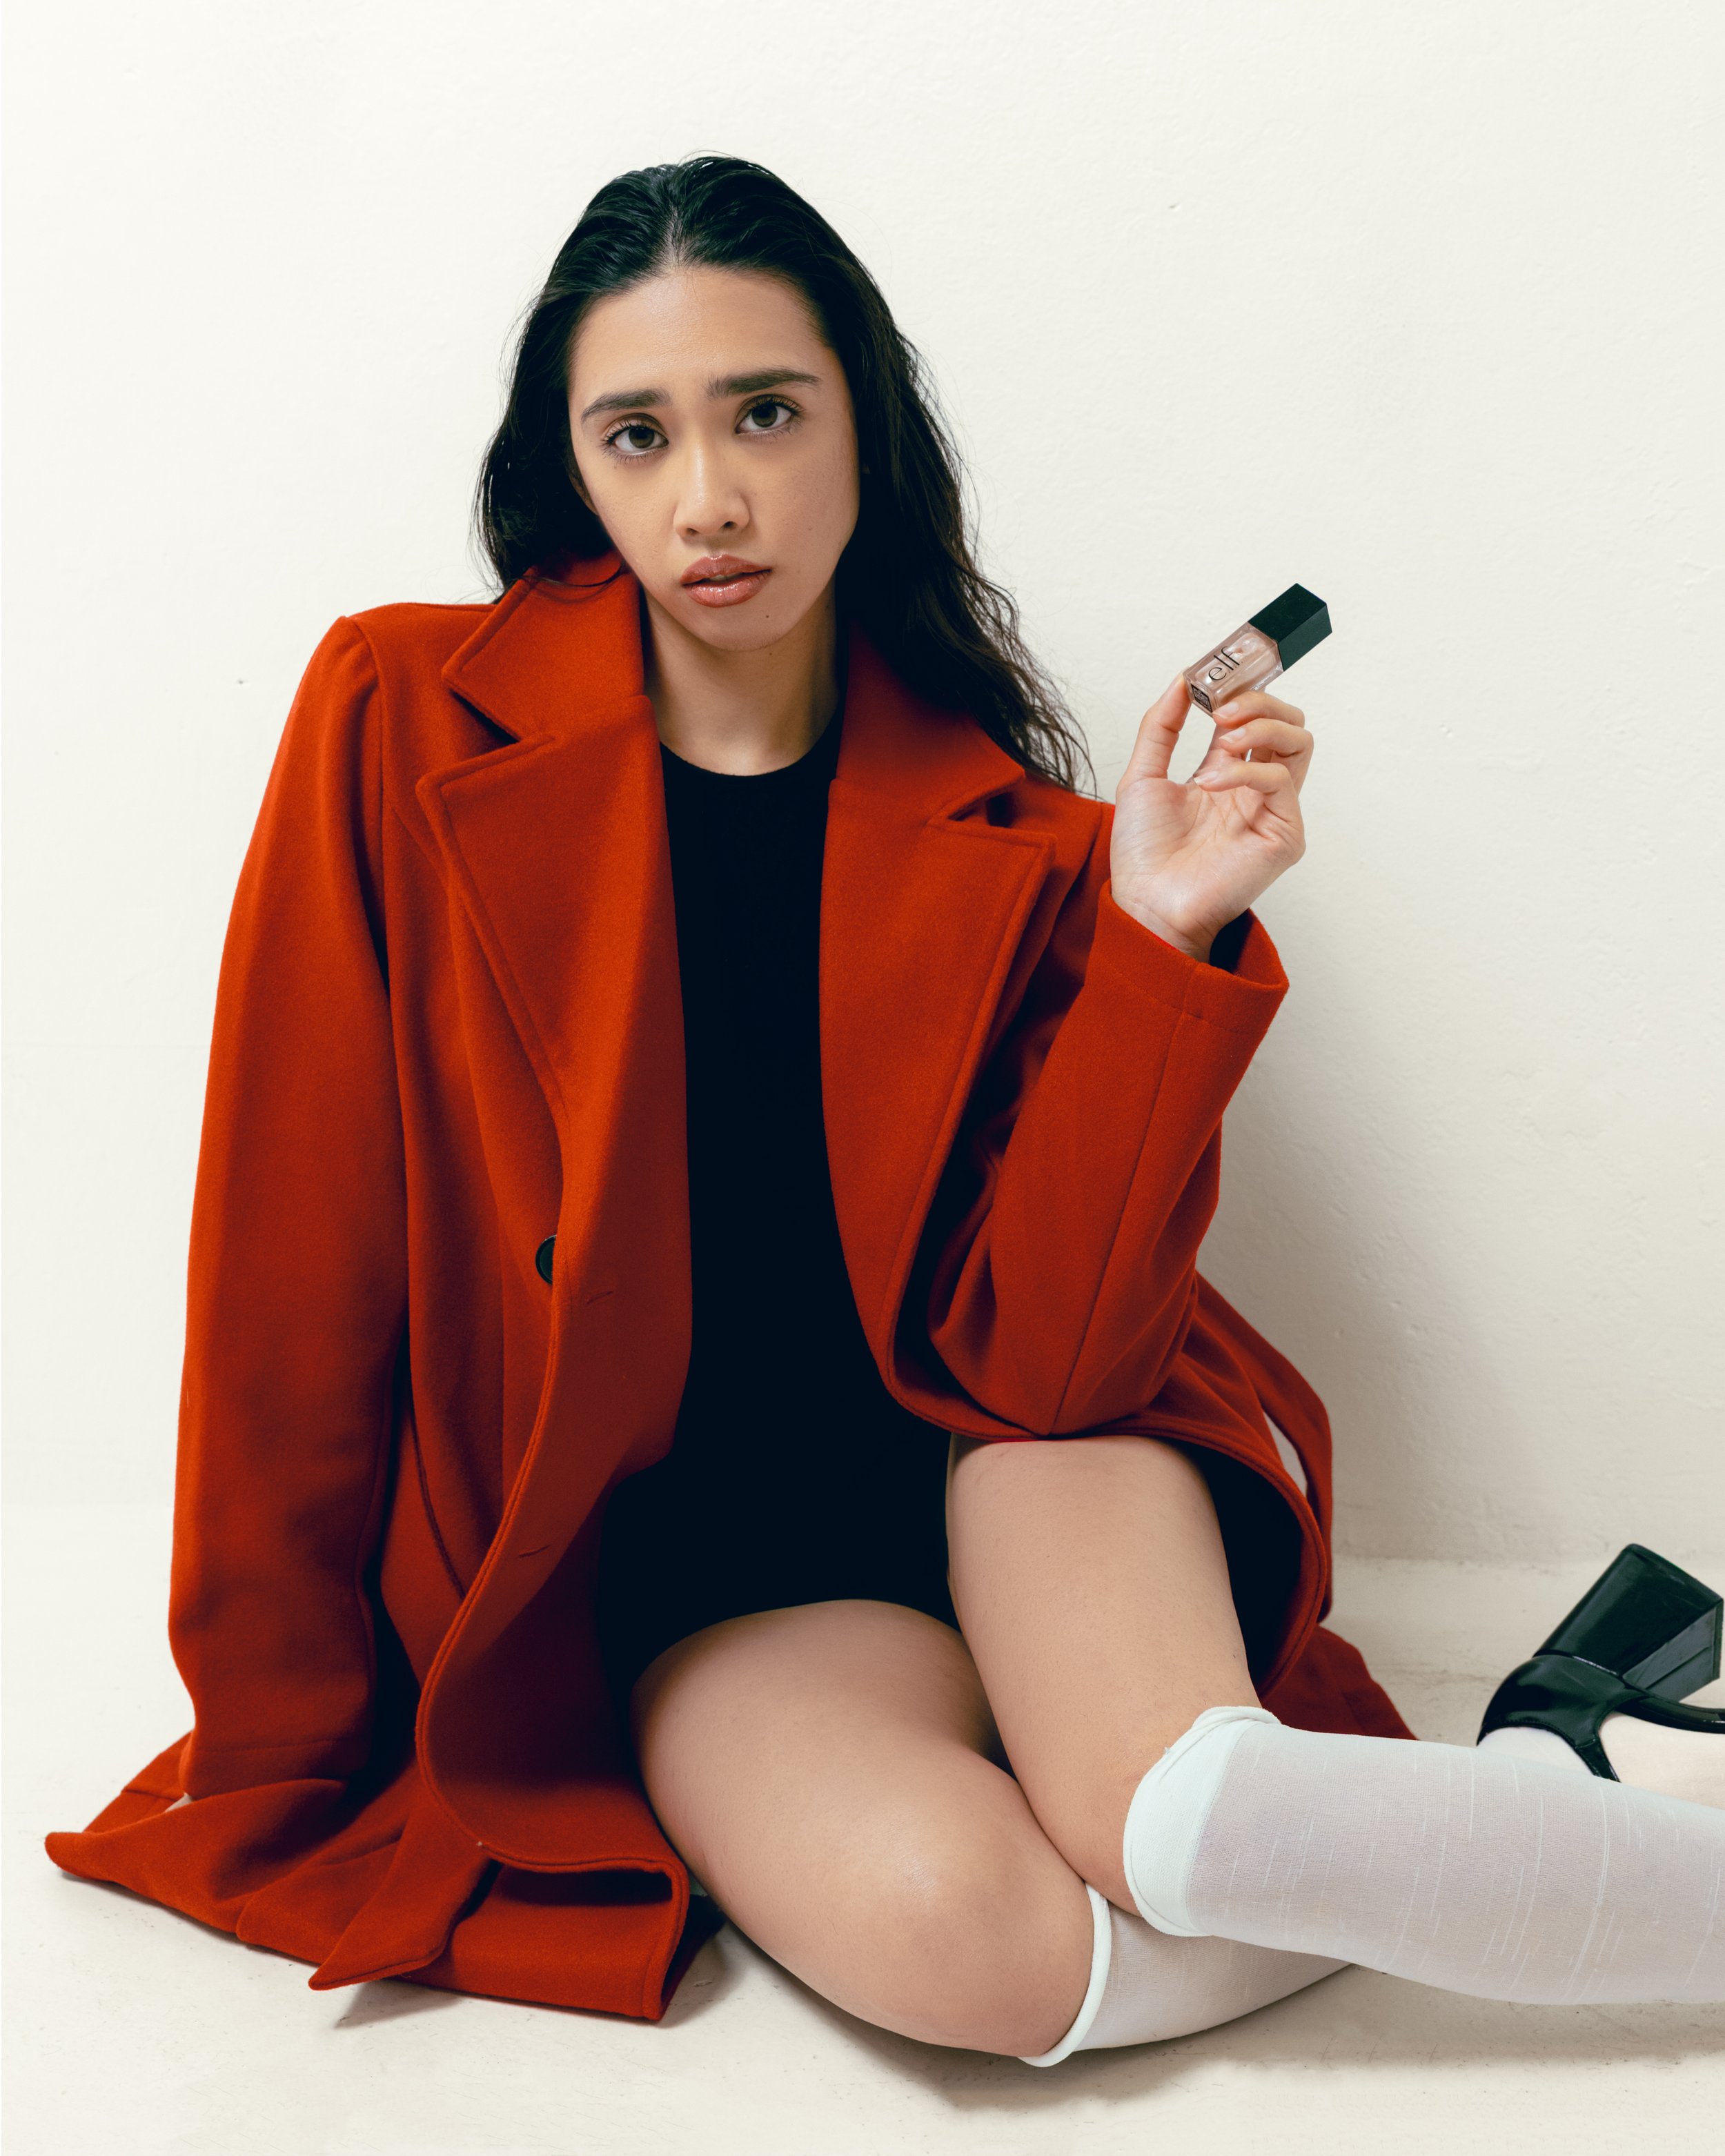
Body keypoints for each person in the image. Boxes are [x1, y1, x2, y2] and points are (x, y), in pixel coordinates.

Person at [47, 155, 1724, 2062]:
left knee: (1181, 1822)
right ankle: (1542, 1769)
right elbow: (293, 1263)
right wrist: (284, 1746)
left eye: (766, 411)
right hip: (707, 1580)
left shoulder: (1022, 844)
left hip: (1010, 1449)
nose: (710, 497)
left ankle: (1483, 1820)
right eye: (637, 431)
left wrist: (1157, 933)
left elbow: (1058, 1352)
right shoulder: (400, 716)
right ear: (572, 466)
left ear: (863, 428)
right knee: (979, 1953)